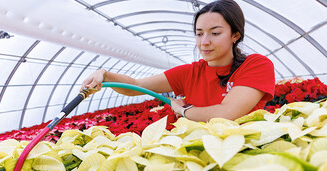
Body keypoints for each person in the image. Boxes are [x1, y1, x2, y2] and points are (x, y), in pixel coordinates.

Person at [81, 0, 275, 122]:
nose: (204, 42)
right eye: (199, 34)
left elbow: (227, 114)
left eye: (215, 33)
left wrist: (184, 111)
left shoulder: (256, 66)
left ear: (235, 35)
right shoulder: (189, 73)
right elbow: (135, 86)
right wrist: (104, 75)